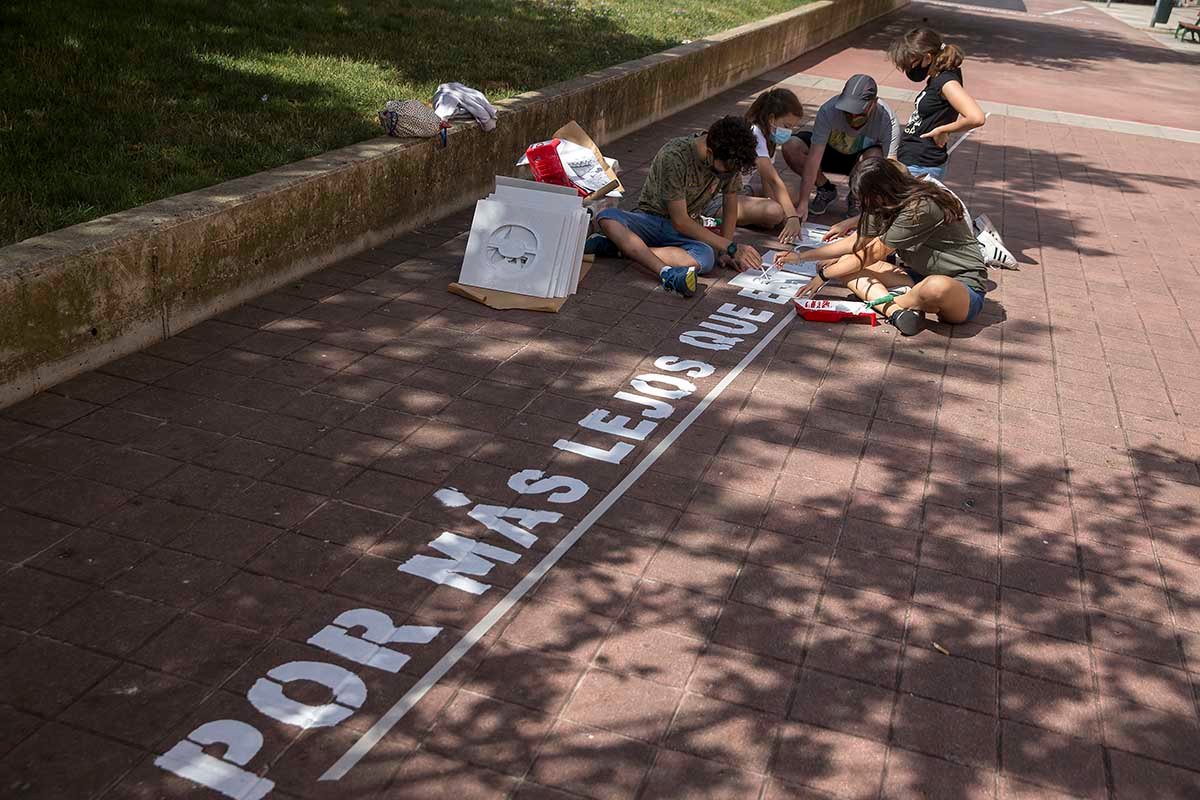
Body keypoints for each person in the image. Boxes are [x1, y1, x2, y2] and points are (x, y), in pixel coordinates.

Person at [788, 158, 987, 337]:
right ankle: (897, 313)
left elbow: (873, 253)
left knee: (935, 287)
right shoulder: (880, 203)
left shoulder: (921, 207)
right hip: (918, 276)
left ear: (883, 189)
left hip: (962, 287)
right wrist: (801, 256)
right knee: (845, 267)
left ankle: (894, 303)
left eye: (864, 197)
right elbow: (856, 243)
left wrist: (824, 276)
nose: (862, 203)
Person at [587, 116, 763, 299]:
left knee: (706, 257)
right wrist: (732, 247)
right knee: (607, 217)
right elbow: (680, 221)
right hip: (651, 221)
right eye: (724, 171)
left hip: (683, 233)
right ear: (710, 152)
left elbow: (730, 203)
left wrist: (726, 251)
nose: (727, 175)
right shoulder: (675, 155)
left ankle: (620, 247)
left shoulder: (729, 161)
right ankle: (664, 272)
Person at [787, 74, 899, 222]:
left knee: (876, 157)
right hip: (829, 153)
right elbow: (814, 158)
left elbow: (891, 166)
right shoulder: (828, 110)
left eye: (859, 112)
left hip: (859, 162)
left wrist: (884, 212)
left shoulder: (887, 119)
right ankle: (825, 189)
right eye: (848, 111)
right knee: (792, 146)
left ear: (874, 103)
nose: (853, 117)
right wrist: (803, 203)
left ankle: (857, 195)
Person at [702, 88, 806, 244]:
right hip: (716, 197)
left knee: (792, 193)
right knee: (774, 212)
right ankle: (720, 216)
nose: (788, 131)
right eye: (787, 125)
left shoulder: (767, 136)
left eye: (792, 128)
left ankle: (753, 212)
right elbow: (773, 180)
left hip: (739, 190)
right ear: (771, 119)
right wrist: (790, 216)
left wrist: (782, 209)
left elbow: (768, 184)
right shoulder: (754, 133)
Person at [888, 27, 986, 180]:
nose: (909, 68)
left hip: (921, 165)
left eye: (910, 63)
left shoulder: (947, 82)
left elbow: (976, 117)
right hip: (914, 160)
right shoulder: (937, 76)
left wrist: (942, 130)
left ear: (927, 57)